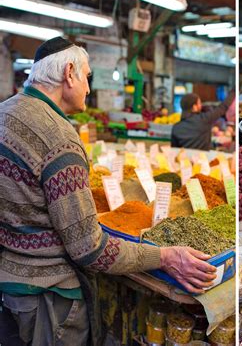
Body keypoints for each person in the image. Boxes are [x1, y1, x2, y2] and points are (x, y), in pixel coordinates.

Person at [0, 37, 217, 346]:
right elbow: (89, 248)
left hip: (11, 287)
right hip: (50, 299)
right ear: (69, 73)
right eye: (87, 78)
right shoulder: (59, 138)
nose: (89, 88)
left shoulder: (4, 113)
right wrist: (165, 256)